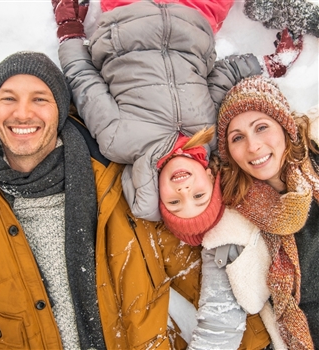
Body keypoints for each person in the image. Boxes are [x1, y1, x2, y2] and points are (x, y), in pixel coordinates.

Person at [0, 52, 203, 349]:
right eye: (8, 99)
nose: (23, 114)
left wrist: (257, 341)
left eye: (40, 99)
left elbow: (188, 263)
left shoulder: (114, 177)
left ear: (60, 109)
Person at [51, 0, 303, 222]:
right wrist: (268, 65)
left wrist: (69, 28)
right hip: (194, 17)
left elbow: (83, 80)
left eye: (174, 203)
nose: (184, 191)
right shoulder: (211, 132)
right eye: (199, 195)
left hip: (127, 18)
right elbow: (223, 75)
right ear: (209, 176)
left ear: (155, 191)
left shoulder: (119, 141)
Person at [157, 128, 284, 349]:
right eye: (237, 137)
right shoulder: (225, 235)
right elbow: (220, 320)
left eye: (262, 127)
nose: (185, 191)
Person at [217, 75, 319, 349]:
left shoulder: (316, 160)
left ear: (285, 125)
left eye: (261, 127)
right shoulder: (235, 217)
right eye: (237, 137)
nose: (253, 146)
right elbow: (250, 299)